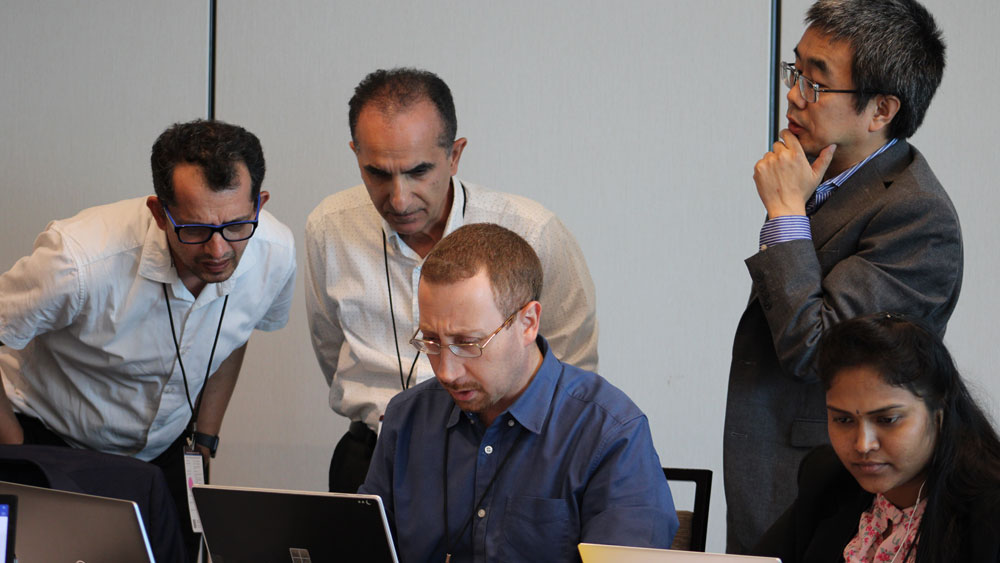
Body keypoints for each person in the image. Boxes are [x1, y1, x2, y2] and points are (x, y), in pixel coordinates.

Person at [723, 0, 963, 551]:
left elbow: (818, 350)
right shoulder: (825, 178)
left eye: (816, 82)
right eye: (796, 72)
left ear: (881, 109)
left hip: (836, 479)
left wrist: (785, 218)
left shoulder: (917, 215)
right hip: (774, 466)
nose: (793, 95)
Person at [0, 119, 296, 560]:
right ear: (160, 213)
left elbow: (235, 336)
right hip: (55, 442)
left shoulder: (274, 251)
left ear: (259, 204)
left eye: (236, 226)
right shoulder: (79, 260)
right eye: (194, 230)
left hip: (167, 451)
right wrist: (13, 445)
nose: (218, 251)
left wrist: (205, 440)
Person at [306, 67, 599, 493]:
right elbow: (329, 346)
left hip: (503, 458)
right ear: (356, 154)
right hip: (372, 454)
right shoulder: (329, 227)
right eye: (378, 174)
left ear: (455, 154)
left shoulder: (532, 231)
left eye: (418, 171)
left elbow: (573, 371)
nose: (399, 198)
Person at [359, 223, 675, 561]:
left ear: (528, 323)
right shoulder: (406, 417)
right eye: (432, 341)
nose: (446, 372)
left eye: (468, 343)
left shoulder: (609, 433)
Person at [753, 313, 1000, 562]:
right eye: (844, 420)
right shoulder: (827, 482)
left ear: (939, 409)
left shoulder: (989, 515)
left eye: (887, 420)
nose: (863, 444)